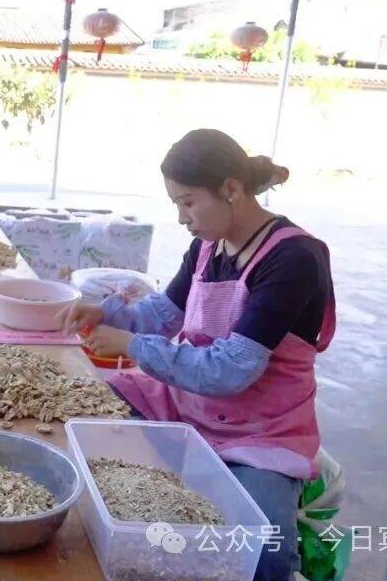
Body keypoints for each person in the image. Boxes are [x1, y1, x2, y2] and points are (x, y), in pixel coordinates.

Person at [64, 129, 335, 581]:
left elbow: (231, 371)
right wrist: (107, 313)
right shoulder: (207, 246)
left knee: (264, 551)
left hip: (261, 432)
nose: (181, 218)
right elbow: (164, 313)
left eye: (188, 202)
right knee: (80, 408)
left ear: (231, 189)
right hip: (188, 402)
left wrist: (131, 345)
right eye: (176, 204)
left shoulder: (293, 259)